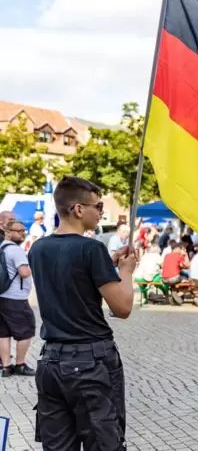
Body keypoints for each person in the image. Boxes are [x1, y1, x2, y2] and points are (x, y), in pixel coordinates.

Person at [29, 176, 136, 450]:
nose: (101, 212)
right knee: (103, 444)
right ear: (78, 209)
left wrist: (104, 265)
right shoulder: (92, 248)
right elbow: (122, 308)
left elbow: (70, 276)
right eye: (98, 206)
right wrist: (125, 272)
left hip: (51, 360)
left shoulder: (38, 248)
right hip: (91, 362)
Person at [0, 220, 36, 377]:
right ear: (8, 232)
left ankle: (6, 367)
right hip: (16, 297)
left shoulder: (1, 247)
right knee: (26, 331)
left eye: (23, 230)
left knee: (3, 333)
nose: (22, 233)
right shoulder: (15, 250)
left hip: (2, 295)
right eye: (18, 231)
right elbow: (24, 272)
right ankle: (20, 365)